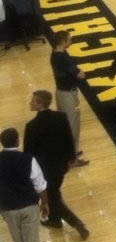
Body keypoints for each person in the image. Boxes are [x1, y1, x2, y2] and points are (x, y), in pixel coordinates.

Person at [24, 91, 88, 240]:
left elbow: (29, 153)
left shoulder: (32, 126)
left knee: (53, 198)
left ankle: (77, 223)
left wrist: (28, 173)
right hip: (61, 166)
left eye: (33, 101)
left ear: (40, 105)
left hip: (44, 171)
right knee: (54, 196)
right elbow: (68, 139)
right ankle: (55, 220)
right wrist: (71, 157)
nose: (30, 103)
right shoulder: (61, 117)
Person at [0, 127, 48, 242]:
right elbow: (40, 184)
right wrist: (45, 203)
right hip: (29, 207)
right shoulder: (28, 159)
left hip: (7, 209)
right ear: (17, 140)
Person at [48, 33, 88, 167]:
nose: (71, 41)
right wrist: (82, 73)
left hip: (62, 92)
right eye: (69, 39)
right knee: (71, 125)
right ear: (63, 41)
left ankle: (73, 151)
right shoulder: (63, 58)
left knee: (72, 124)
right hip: (67, 95)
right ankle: (71, 159)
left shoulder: (55, 54)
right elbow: (79, 74)